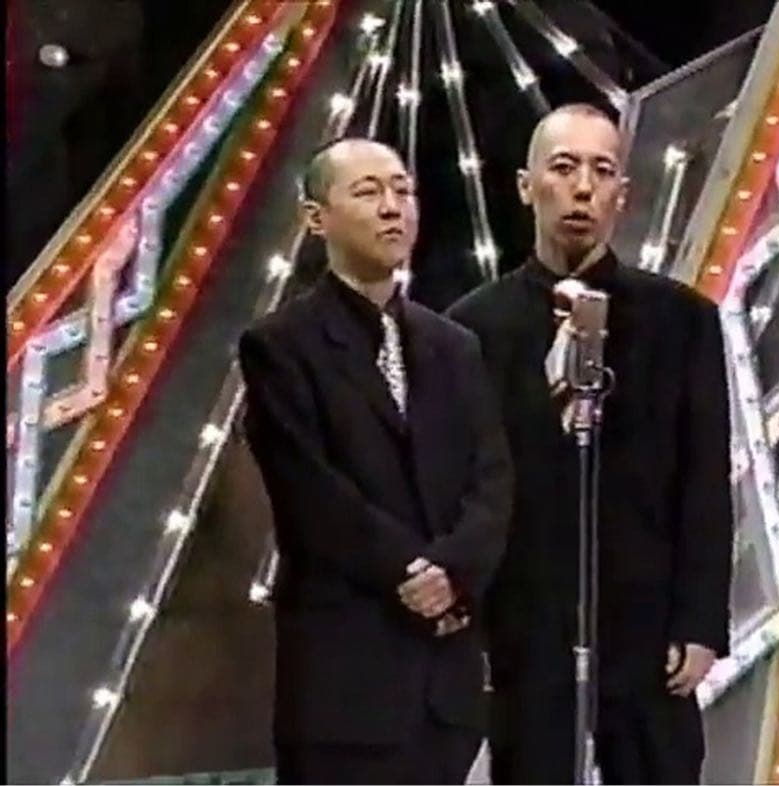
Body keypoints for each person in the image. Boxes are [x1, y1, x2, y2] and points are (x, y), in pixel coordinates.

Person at [447, 104, 733, 784]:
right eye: (564, 167)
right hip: (526, 633)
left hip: (650, 633)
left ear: (622, 194)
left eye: (602, 171)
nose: (582, 187)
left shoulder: (682, 320)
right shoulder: (470, 330)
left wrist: (699, 622)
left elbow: (704, 481)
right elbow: (461, 489)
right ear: (526, 186)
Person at [238, 137, 512, 784]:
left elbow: (493, 479)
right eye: (368, 192)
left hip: (447, 684)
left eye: (403, 190)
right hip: (346, 684)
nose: (393, 208)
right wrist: (411, 572)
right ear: (316, 219)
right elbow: (311, 493)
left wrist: (454, 569)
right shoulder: (281, 346)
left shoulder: (455, 345)